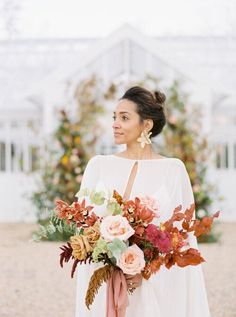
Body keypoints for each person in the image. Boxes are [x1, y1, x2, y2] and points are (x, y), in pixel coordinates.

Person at [75, 86, 211, 317]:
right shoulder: (98, 165)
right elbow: (82, 222)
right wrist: (107, 256)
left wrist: (142, 268)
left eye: (124, 118)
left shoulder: (173, 170)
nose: (115, 123)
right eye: (114, 117)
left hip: (153, 285)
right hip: (105, 280)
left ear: (146, 125)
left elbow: (182, 237)